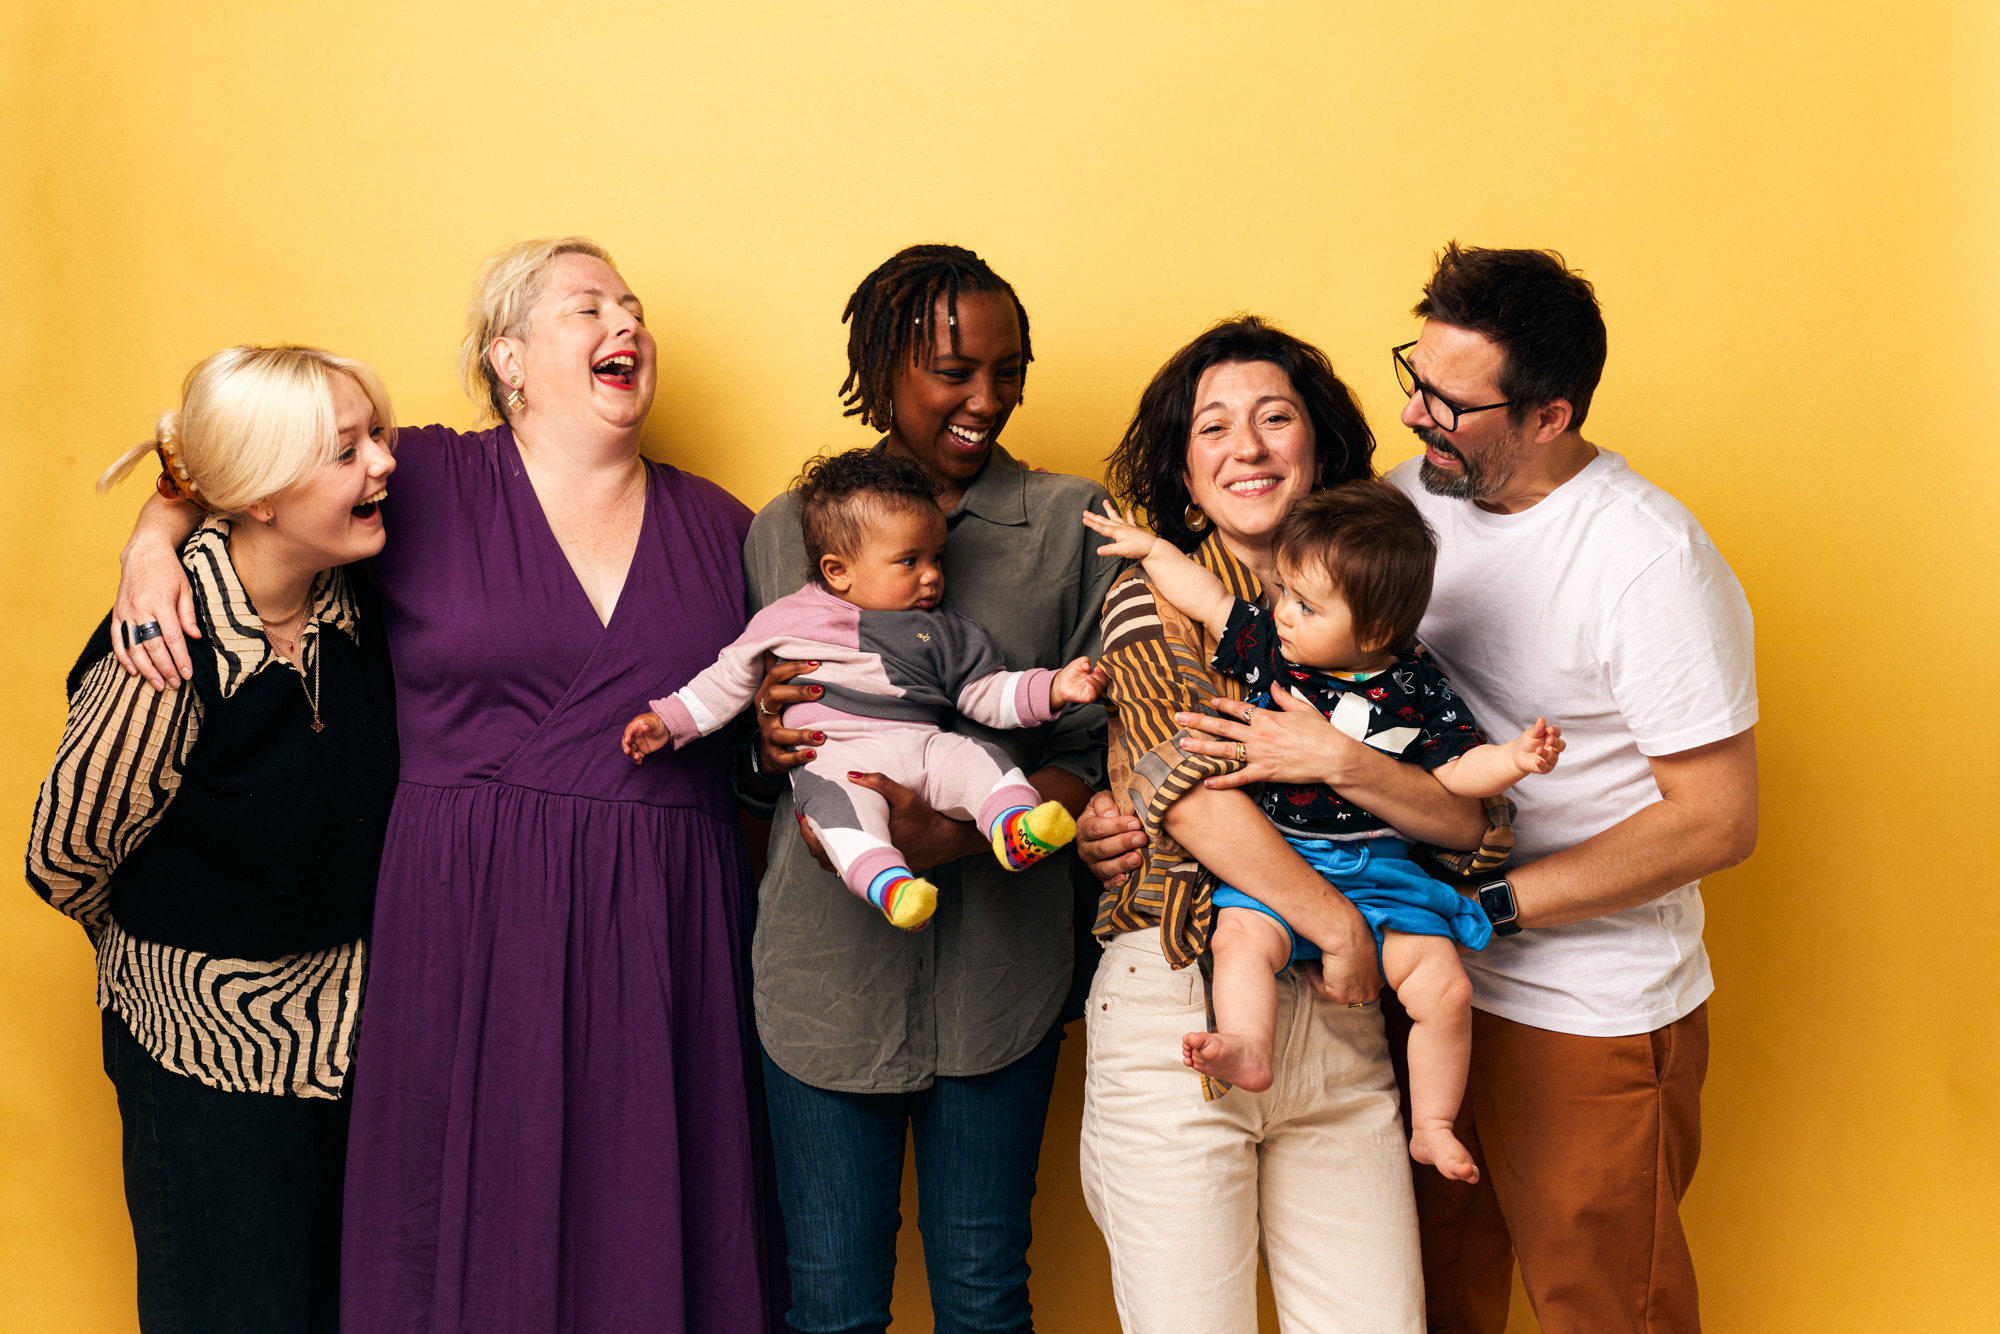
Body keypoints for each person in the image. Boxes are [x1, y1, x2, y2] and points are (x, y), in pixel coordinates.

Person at [105, 239, 777, 1332]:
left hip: (669, 928)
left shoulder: (730, 528)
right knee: (465, 1234)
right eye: (587, 307)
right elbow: (238, 461)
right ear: (509, 358)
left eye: (633, 307)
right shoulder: (414, 480)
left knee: (652, 1227)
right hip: (467, 925)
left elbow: (782, 714)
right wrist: (153, 539)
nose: (625, 323)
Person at [1170, 246, 1759, 1332]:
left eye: (1449, 401)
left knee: (1602, 1308)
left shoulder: (1647, 560)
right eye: (1416, 376)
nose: (1411, 413)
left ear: (1548, 415)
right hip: (1410, 991)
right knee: (1431, 1306)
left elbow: (1717, 822)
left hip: (1579, 1005)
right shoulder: (1401, 508)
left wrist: (1486, 908)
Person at [1073, 317, 1494, 1333]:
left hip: (1346, 1026)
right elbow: (1190, 794)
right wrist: (1339, 922)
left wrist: (1339, 761)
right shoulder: (1150, 601)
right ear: (1184, 473)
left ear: (1319, 446)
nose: (1247, 447)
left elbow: (1473, 830)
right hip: (1186, 999)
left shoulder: (1383, 614)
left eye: (1274, 417)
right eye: (1212, 427)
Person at [739, 244, 1123, 1333]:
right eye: (954, 371)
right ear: (880, 368)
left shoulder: (1070, 524)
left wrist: (958, 837)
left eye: (1009, 372)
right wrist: (763, 746)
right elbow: (748, 742)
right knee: (830, 1306)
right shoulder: (785, 528)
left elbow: (1100, 747)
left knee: (984, 1296)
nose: (985, 399)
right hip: (823, 980)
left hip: (1000, 978)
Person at [27, 345, 399, 1333]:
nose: (383, 462)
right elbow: (62, 856)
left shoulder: (348, 598)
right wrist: (181, 937)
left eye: (377, 435)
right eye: (347, 450)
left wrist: (155, 520)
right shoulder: (166, 646)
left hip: (344, 1039)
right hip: (201, 1053)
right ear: (261, 495)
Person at [1082, 480, 1563, 1181]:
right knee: (1240, 941)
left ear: (1372, 632)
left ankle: (1432, 1125)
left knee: (1446, 991)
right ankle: (1248, 1044)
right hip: (1281, 867)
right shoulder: (1274, 654)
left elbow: (1459, 773)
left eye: (1306, 606)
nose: (1282, 612)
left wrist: (1515, 759)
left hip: (1385, 876)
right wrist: (1153, 550)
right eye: (1284, 593)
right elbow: (1210, 601)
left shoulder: (1418, 687)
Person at [624, 448, 1106, 929]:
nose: (932, 575)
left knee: (980, 761)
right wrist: (667, 720)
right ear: (838, 571)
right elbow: (725, 680)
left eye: (936, 558)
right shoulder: (786, 619)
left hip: (924, 746)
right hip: (837, 757)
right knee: (843, 819)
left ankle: (1014, 825)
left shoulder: (943, 629)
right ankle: (893, 889)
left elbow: (985, 692)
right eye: (909, 561)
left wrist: (1054, 688)